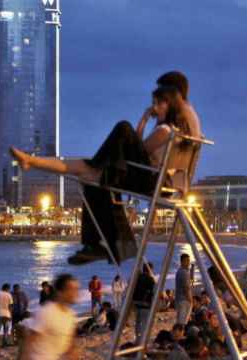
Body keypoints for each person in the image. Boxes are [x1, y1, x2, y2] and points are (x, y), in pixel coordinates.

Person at [10, 72, 202, 266]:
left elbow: (138, 150)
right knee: (86, 170)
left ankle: (97, 241)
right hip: (157, 180)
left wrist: (144, 120)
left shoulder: (165, 131)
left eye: (158, 103)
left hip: (148, 180)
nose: (154, 108)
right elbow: (138, 150)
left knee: (122, 130)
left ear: (170, 102)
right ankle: (31, 161)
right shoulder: (184, 126)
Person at [21, 273, 80, 360]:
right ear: (60, 292)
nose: (76, 293)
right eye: (71, 289)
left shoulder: (70, 315)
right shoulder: (47, 312)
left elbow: (69, 343)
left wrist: (73, 353)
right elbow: (29, 342)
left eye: (77, 289)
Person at [132, 263, 156, 342]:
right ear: (150, 270)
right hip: (146, 304)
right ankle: (142, 341)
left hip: (136, 303)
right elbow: (154, 292)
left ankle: (138, 339)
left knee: (138, 323)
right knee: (144, 324)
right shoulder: (150, 279)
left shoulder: (137, 278)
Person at [0, 283, 13, 347]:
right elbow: (10, 306)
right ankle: (4, 343)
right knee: (6, 330)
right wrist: (11, 315)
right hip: (7, 314)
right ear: (8, 288)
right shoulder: (9, 295)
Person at [175, 253, 193, 325]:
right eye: (187, 261)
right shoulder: (184, 272)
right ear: (182, 261)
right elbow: (186, 288)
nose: (188, 263)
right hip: (184, 300)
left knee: (180, 320)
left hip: (179, 299)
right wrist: (190, 299)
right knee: (183, 321)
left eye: (189, 261)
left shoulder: (180, 271)